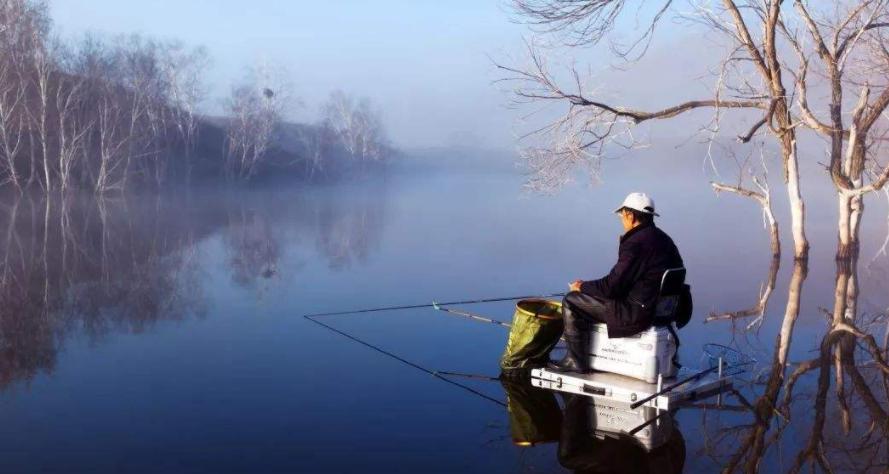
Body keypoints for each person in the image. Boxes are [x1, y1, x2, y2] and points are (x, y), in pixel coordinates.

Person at [549, 192, 684, 373]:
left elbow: (611, 287)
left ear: (631, 215)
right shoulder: (664, 239)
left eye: (622, 215)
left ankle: (575, 361)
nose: (621, 219)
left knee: (572, 301)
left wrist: (581, 287)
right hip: (663, 311)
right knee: (587, 296)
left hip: (637, 313)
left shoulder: (636, 243)